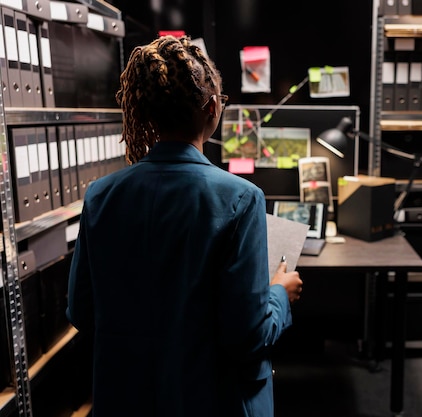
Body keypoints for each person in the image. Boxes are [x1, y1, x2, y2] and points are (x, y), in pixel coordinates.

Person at [66, 35, 303, 417]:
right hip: (213, 401)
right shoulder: (242, 199)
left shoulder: (100, 195)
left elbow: (81, 311)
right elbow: (248, 337)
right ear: (212, 108)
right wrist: (279, 293)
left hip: (126, 400)